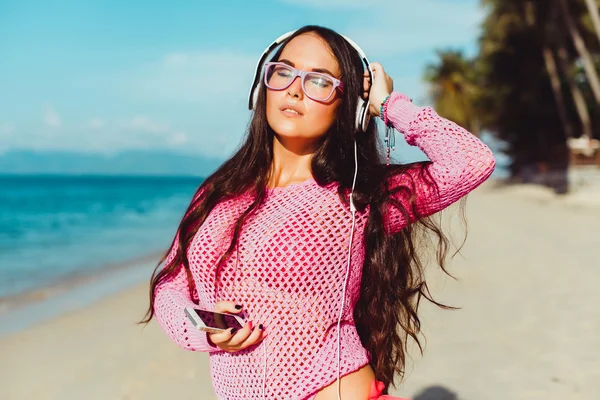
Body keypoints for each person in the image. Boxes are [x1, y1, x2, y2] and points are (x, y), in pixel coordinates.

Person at [140, 25, 496, 400]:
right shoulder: (219, 191)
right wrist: (201, 331)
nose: (295, 88)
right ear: (263, 85)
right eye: (284, 72)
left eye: (320, 81)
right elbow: (171, 285)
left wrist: (388, 106)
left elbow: (471, 160)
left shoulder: (359, 197)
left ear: (349, 106)